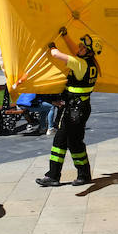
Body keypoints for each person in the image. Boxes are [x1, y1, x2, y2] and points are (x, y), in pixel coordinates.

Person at [35, 27, 101, 187]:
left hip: (75, 110)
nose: (79, 48)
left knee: (71, 142)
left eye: (82, 47)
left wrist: (51, 45)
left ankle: (77, 175)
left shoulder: (79, 64)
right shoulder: (90, 63)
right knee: (65, 141)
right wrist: (65, 36)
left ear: (88, 51)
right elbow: (74, 51)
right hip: (79, 108)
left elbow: (56, 54)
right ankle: (58, 175)